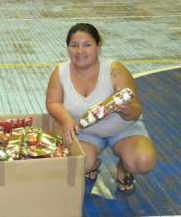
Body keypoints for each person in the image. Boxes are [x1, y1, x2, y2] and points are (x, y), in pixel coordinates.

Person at [45, 23, 157, 192]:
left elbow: (136, 111)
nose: (80, 51)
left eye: (87, 45)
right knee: (79, 164)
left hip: (122, 130)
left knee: (143, 161)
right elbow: (52, 103)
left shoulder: (115, 70)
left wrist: (123, 108)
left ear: (98, 46)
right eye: (74, 45)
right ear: (67, 48)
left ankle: (124, 167)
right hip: (84, 132)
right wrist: (66, 120)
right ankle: (92, 163)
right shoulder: (60, 72)